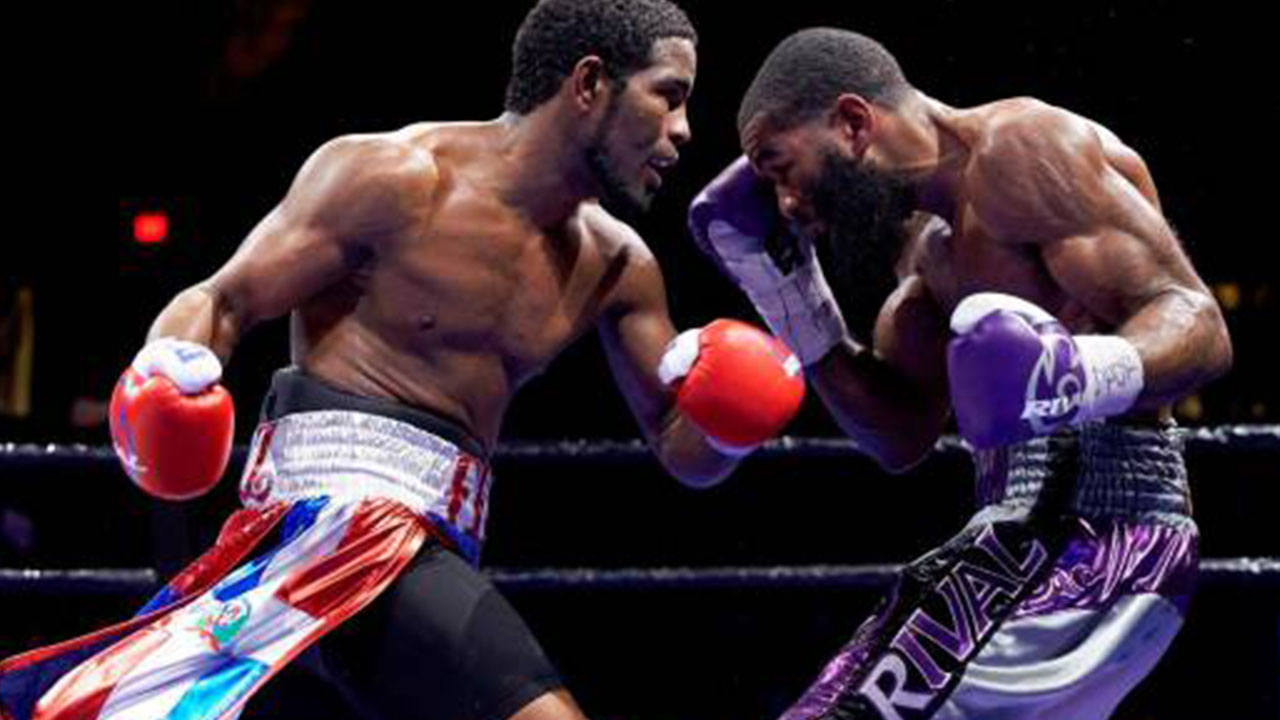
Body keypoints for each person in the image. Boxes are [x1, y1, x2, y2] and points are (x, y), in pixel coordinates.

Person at [0, 2, 808, 719]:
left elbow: (680, 450)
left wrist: (735, 414)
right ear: (589, 83)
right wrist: (170, 367)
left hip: (433, 545)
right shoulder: (393, 177)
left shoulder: (618, 265)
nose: (684, 130)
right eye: (669, 95)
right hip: (332, 523)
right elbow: (223, 299)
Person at [689, 27, 1231, 720]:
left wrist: (1073, 374)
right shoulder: (925, 248)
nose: (787, 204)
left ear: (853, 122)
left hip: (1096, 537)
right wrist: (785, 292)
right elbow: (898, 435)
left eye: (780, 166)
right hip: (1031, 541)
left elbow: (1198, 323)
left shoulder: (1022, 148)